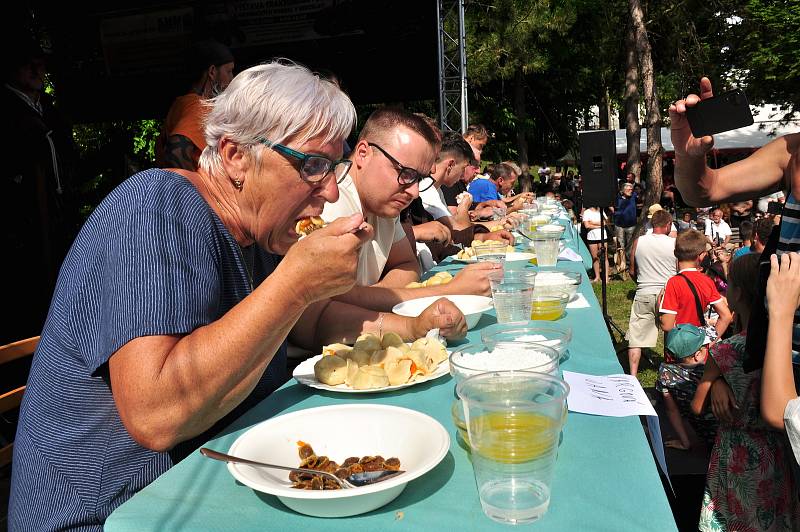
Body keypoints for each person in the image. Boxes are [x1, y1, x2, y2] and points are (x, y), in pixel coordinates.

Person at [8, 62, 467, 531]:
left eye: (335, 168)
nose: (330, 192)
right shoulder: (156, 208)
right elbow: (156, 415)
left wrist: (412, 326)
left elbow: (314, 322)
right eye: (312, 166)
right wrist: (295, 284)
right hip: (111, 513)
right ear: (235, 156)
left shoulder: (259, 236)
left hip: (212, 483)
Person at [320, 107, 499, 311]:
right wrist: (448, 290)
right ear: (363, 153)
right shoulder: (328, 202)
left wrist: (371, 297)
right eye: (405, 173)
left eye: (419, 178)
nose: (414, 192)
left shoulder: (383, 202)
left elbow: (407, 265)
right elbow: (327, 308)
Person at [691, 253, 800, 531]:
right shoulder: (786, 351)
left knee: (733, 517)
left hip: (736, 452)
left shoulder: (725, 351)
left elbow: (697, 406)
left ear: (736, 293)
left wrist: (715, 382)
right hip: (778, 453)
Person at [2, 36, 79, 342]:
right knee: (30, 295)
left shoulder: (46, 108)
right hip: (23, 223)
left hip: (58, 213)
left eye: (40, 63)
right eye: (27, 64)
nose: (36, 70)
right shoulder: (7, 111)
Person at [155, 40, 235, 170]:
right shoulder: (197, 107)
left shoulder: (180, 104)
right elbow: (176, 153)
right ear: (212, 72)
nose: (232, 78)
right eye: (229, 71)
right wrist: (193, 189)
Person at [659, 229, 732, 354]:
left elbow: (667, 325)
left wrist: (658, 305)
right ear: (702, 255)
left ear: (675, 253)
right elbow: (726, 316)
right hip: (699, 347)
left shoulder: (673, 283)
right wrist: (709, 343)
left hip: (678, 350)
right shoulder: (707, 281)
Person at [626, 210, 677, 376]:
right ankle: (668, 370)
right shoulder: (674, 243)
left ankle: (633, 375)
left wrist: (641, 284)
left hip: (644, 291)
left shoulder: (639, 241)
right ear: (668, 224)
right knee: (670, 334)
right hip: (667, 293)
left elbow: (632, 270)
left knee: (636, 337)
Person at [656, 323, 717, 450]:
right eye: (705, 345)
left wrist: (685, 442)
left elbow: (671, 410)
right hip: (725, 435)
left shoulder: (665, 373)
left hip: (704, 436)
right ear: (698, 354)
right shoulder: (713, 370)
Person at [582, 206, 611, 283]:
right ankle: (597, 277)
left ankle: (606, 277)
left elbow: (605, 223)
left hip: (602, 236)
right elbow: (587, 226)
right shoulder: (586, 212)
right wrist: (599, 224)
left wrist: (592, 222)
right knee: (595, 257)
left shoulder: (601, 211)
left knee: (604, 257)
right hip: (591, 237)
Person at [614, 182, 637, 266]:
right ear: (623, 190)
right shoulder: (617, 198)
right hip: (619, 225)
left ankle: (629, 263)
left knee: (630, 245)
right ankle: (621, 264)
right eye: (628, 189)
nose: (631, 190)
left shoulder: (633, 196)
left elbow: (639, 188)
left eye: (631, 189)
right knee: (620, 245)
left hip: (631, 225)